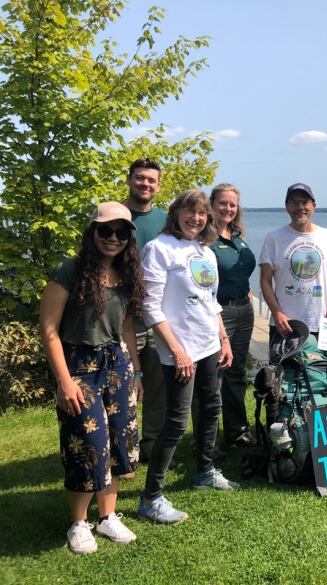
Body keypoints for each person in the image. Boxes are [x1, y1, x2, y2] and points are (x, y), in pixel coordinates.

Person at [40, 202, 144, 553]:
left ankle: (107, 517)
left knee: (117, 444)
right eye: (105, 231)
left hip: (118, 364)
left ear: (129, 237)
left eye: (121, 232)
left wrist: (137, 371)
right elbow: (49, 329)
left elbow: (127, 325)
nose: (113, 238)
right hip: (79, 365)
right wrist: (64, 380)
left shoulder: (128, 273)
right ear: (93, 233)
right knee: (87, 445)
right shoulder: (69, 270)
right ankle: (78, 523)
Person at [138, 189, 238, 525]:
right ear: (176, 213)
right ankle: (151, 498)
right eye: (189, 212)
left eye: (202, 214)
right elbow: (150, 307)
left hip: (209, 344)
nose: (196, 219)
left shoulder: (204, 251)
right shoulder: (158, 249)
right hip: (179, 351)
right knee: (177, 423)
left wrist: (223, 338)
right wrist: (178, 352)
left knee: (212, 408)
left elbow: (210, 301)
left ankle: (204, 471)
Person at [121, 158, 168, 465]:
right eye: (140, 178)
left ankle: (151, 445)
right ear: (129, 180)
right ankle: (124, 447)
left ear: (158, 186)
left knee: (158, 388)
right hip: (119, 318)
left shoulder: (165, 220)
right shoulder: (114, 215)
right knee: (124, 386)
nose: (145, 184)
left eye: (151, 180)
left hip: (158, 318)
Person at [259, 183, 327, 340]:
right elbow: (265, 281)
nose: (300, 207)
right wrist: (277, 312)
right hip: (285, 324)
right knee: (284, 365)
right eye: (294, 202)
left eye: (304, 202)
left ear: (313, 206)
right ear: (287, 207)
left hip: (322, 323)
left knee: (322, 365)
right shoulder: (273, 238)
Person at [209, 183, 257, 448]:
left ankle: (237, 432)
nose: (228, 208)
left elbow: (239, 272)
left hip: (244, 310)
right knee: (215, 375)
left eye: (232, 204)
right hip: (219, 313)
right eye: (223, 203)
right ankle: (209, 440)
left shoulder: (237, 236)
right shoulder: (205, 238)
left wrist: (246, 292)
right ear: (212, 204)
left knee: (236, 373)